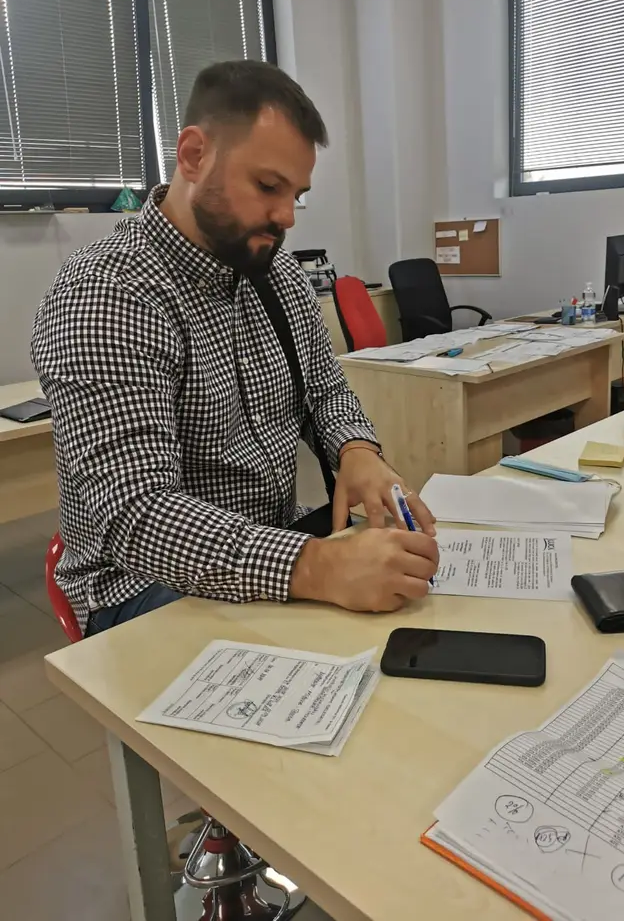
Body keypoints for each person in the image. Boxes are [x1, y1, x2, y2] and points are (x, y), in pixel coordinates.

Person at [32, 60, 438, 637]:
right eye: (268, 187)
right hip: (143, 584)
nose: (285, 216)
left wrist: (356, 450)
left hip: (272, 543)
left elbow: (324, 391)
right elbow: (137, 516)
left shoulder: (276, 276)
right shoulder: (107, 295)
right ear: (194, 155)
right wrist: (317, 565)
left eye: (297, 194)